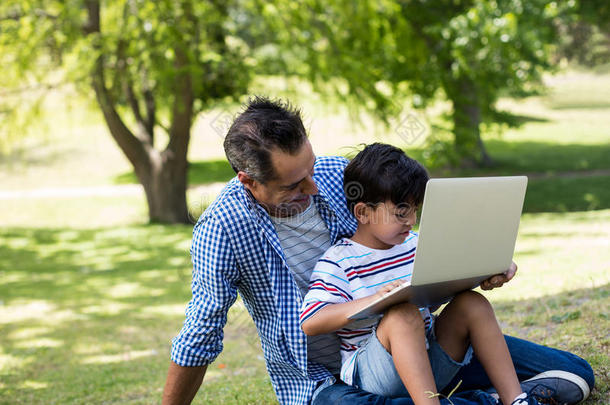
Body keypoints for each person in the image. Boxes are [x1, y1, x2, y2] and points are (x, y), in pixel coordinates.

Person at [162, 97, 594, 405]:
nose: (313, 187)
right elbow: (200, 336)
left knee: (578, 372)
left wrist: (479, 267)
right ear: (249, 182)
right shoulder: (223, 228)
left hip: (420, 348)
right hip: (324, 382)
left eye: (310, 169)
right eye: (294, 184)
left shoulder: (337, 177)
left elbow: (412, 250)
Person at [300, 143, 543, 405]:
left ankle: (515, 399)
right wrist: (375, 301)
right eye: (402, 212)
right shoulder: (339, 261)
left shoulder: (416, 244)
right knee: (402, 314)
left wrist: (493, 266)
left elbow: (456, 270)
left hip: (428, 363)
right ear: (363, 212)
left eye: (416, 210)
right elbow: (311, 321)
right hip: (375, 375)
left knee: (473, 303)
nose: (411, 220)